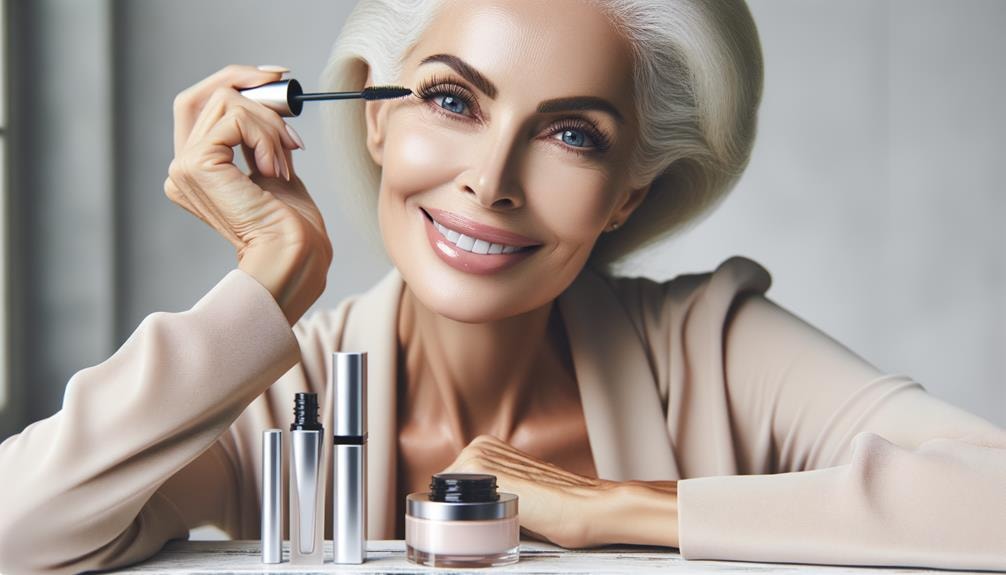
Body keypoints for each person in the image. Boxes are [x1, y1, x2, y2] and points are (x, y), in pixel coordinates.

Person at [1, 0, 1004, 573]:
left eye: (573, 134)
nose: (492, 179)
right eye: (451, 99)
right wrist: (270, 277)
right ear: (376, 120)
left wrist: (616, 507)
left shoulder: (710, 346)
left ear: (624, 195)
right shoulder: (275, 391)